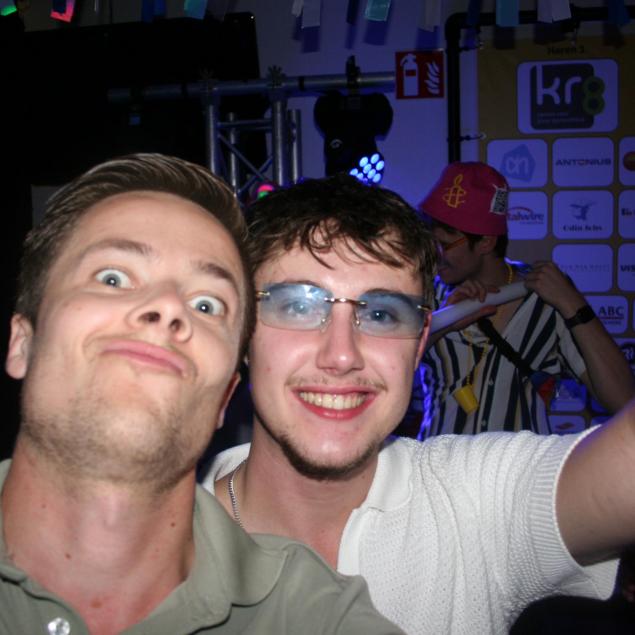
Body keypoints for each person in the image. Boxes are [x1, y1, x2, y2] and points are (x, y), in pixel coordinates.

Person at [200, 173, 635, 634]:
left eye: (382, 314)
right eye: (299, 306)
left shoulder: (475, 510)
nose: (342, 356)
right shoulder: (164, 538)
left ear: (418, 339)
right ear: (242, 328)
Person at [0, 155, 405, 635]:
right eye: (113, 278)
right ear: (22, 342)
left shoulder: (314, 616)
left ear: (226, 396)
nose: (168, 306)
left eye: (207, 304)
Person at [417, 161, 634, 436]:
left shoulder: (546, 296)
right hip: (439, 462)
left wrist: (574, 305)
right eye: (430, 241)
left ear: (486, 242)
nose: (434, 253)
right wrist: (442, 322)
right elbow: (388, 368)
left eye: (445, 244)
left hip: (521, 464)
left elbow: (623, 401)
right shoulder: (425, 291)